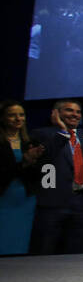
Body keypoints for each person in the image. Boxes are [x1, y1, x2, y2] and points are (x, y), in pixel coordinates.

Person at [29, 100, 83, 254]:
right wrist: (63, 131)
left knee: (76, 252)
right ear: (56, 113)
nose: (75, 114)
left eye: (78, 112)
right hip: (53, 202)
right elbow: (46, 156)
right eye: (69, 110)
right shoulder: (41, 133)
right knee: (45, 250)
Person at [0, 101, 44, 255]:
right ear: (3, 118)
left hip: (25, 199)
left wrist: (32, 162)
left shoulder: (29, 142)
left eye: (21, 115)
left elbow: (39, 174)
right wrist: (24, 162)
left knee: (20, 242)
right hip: (4, 196)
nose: (18, 118)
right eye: (12, 115)